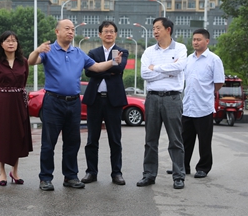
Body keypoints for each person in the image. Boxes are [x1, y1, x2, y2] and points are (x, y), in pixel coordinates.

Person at [28, 19, 122, 191]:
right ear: (57, 31)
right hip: (53, 102)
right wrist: (36, 50)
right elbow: (31, 62)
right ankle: (45, 178)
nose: (71, 32)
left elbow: (97, 67)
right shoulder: (48, 50)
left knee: (72, 142)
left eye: (72, 29)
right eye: (67, 29)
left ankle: (70, 176)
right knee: (49, 142)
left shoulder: (78, 53)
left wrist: (114, 61)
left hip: (73, 102)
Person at [136, 17, 187, 190]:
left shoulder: (180, 48)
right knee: (150, 139)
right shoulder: (149, 51)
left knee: (175, 139)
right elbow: (144, 74)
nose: (155, 31)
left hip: (172, 98)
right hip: (153, 98)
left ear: (168, 30)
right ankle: (149, 175)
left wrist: (156, 68)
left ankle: (178, 176)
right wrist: (168, 69)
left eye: (158, 28)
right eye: (153, 28)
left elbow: (179, 67)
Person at [81, 21, 128, 185]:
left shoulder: (121, 51)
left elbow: (119, 69)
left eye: (111, 31)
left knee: (115, 139)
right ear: (100, 34)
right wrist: (109, 69)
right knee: (92, 139)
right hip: (95, 100)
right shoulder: (93, 52)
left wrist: (99, 69)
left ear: (116, 34)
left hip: (113, 101)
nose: (109, 34)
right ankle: (91, 172)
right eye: (106, 31)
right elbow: (88, 72)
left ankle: (116, 173)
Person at [0, 31, 33, 186]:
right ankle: (2, 172)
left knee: (18, 135)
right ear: (1, 44)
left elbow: (24, 82)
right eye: (7, 41)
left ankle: (15, 171)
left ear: (17, 44)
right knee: (3, 136)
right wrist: (3, 98)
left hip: (19, 102)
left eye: (14, 40)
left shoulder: (24, 62)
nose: (11, 43)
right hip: (3, 103)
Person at [181, 29, 225, 178]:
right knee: (185, 140)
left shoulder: (214, 60)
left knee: (204, 141)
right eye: (194, 39)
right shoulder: (189, 59)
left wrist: (206, 92)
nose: (195, 42)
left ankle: (203, 168)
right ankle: (183, 166)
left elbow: (218, 83)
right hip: (188, 106)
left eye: (198, 39)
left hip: (203, 107)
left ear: (207, 41)